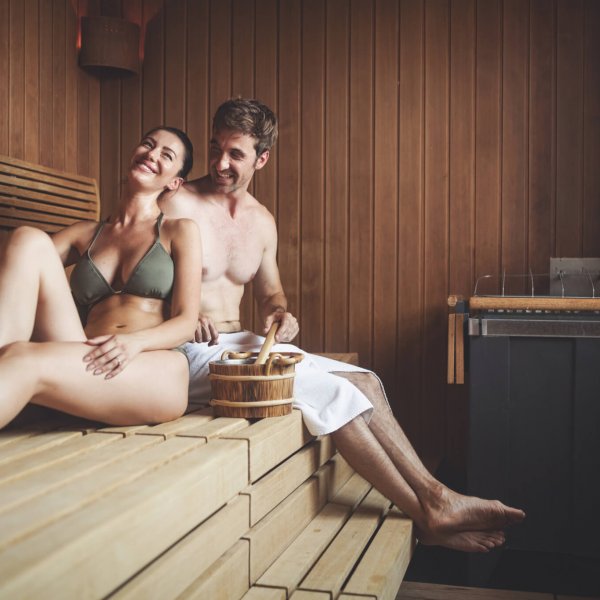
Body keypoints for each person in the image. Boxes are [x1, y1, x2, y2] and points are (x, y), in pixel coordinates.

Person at [160, 99, 525, 552]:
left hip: (246, 345)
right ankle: (431, 506)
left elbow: (270, 292)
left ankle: (434, 498)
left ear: (262, 158)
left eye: (235, 154)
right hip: (192, 349)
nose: (219, 163)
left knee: (363, 381)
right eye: (216, 148)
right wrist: (182, 311)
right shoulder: (177, 201)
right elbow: (137, 276)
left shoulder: (261, 221)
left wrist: (280, 312)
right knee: (335, 394)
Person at [0, 127, 201, 428]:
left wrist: (133, 342)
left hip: (151, 365)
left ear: (174, 182)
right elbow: (18, 271)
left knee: (24, 359)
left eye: (166, 155)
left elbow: (187, 322)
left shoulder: (180, 231)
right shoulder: (84, 234)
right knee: (28, 239)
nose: (152, 154)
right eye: (148, 144)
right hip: (85, 355)